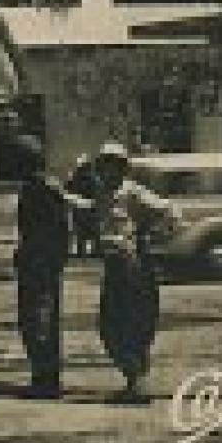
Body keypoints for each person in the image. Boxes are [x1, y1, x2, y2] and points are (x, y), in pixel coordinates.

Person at [90, 141, 171, 403]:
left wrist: (149, 236)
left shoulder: (133, 193)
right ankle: (132, 379)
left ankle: (136, 382)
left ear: (122, 168)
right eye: (104, 165)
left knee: (132, 321)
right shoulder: (103, 194)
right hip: (113, 265)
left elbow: (167, 211)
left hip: (131, 265)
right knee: (109, 324)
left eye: (113, 165)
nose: (107, 171)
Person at [10, 135, 78, 399]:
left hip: (43, 263)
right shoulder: (32, 187)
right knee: (32, 320)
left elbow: (61, 229)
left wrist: (53, 260)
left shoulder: (46, 188)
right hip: (32, 260)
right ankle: (41, 375)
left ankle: (47, 379)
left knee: (42, 321)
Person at [65, 153, 103, 258]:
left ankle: (86, 251)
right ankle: (93, 251)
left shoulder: (77, 177)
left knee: (85, 231)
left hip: (84, 208)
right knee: (89, 231)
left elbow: (68, 189)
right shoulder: (92, 178)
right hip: (87, 208)